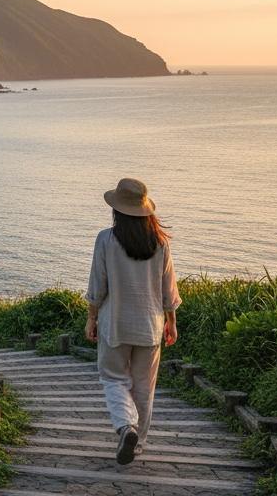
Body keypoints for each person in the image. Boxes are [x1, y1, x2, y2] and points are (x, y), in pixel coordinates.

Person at [84, 177, 181, 465]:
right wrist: (172, 322)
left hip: (115, 324)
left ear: (117, 210)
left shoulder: (106, 239)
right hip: (150, 327)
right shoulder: (160, 242)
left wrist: (91, 318)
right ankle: (137, 446)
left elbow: (98, 285)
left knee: (113, 378)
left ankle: (127, 426)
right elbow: (168, 290)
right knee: (144, 388)